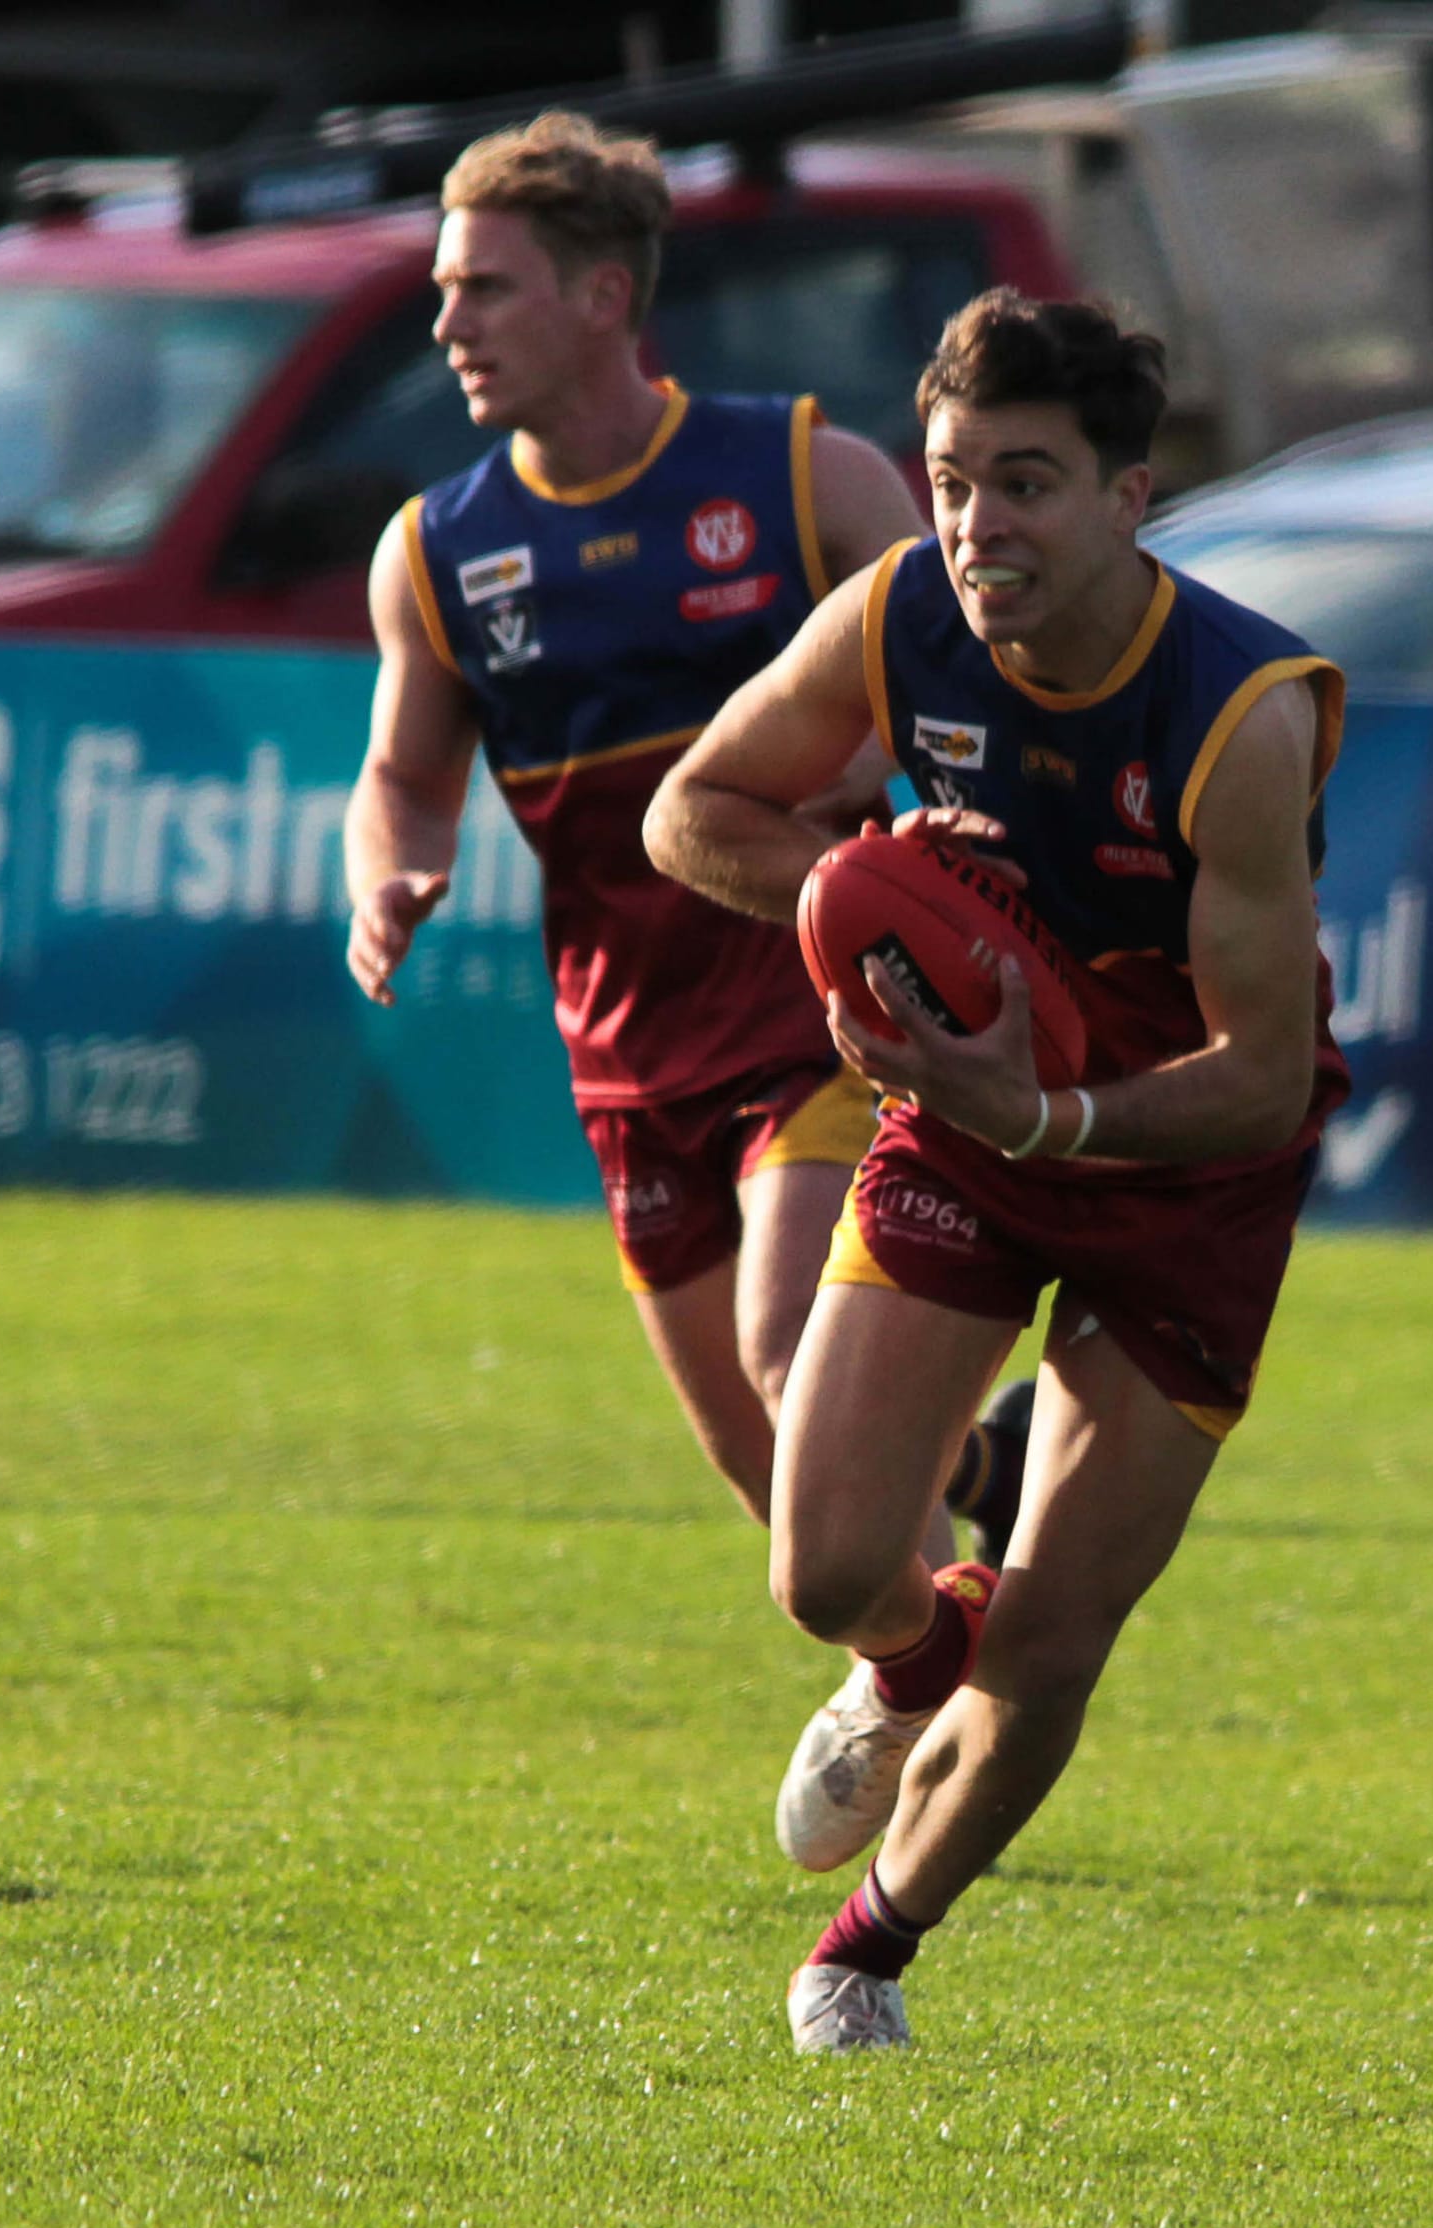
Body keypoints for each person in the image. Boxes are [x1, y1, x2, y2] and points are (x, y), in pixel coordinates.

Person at [643, 289, 1351, 2051]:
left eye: (1025, 484)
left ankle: (861, 1951)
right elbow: (691, 814)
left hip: (1186, 1174)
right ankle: (903, 1655)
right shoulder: (897, 619)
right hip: (972, 1120)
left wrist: (1054, 1115)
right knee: (820, 1567)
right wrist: (855, 872)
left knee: (1052, 1646)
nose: (976, 526)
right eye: (953, 479)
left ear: (1130, 496)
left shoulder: (1238, 712)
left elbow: (1261, 1083)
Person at [343, 110, 1029, 1549]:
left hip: (822, 1013)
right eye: (442, 292)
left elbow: (959, 689)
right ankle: (969, 1514)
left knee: (794, 1359)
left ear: (603, 298)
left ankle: (918, 1715)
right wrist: (392, 869)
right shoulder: (434, 551)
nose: (448, 323)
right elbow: (403, 773)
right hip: (627, 1051)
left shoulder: (801, 476)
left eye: (484, 287)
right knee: (763, 1468)